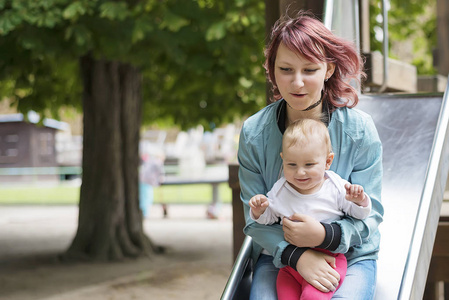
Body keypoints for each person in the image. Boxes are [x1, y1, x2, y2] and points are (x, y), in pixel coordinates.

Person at [237, 11, 383, 300]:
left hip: (350, 254)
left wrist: (326, 236)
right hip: (279, 254)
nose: (297, 83)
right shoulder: (254, 133)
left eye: (310, 70)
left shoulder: (359, 130)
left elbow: (373, 213)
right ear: (272, 71)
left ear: (328, 70)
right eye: (286, 70)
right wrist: (297, 256)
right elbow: (253, 218)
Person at [249, 118, 371, 300]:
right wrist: (259, 210)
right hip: (291, 265)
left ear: (328, 161)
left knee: (313, 298)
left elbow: (360, 214)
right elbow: (268, 218)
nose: (300, 172)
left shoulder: (335, 187)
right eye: (292, 165)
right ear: (283, 159)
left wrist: (360, 201)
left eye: (309, 165)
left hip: (330, 260)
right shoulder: (280, 189)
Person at [139, 152, 165, 218]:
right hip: (147, 181)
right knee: (147, 198)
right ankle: (145, 213)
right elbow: (161, 173)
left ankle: (144, 212)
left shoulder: (150, 161)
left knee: (144, 197)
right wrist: (161, 179)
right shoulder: (158, 162)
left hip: (143, 180)